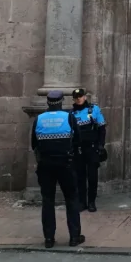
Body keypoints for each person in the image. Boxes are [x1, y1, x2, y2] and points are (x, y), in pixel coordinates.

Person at [31, 90, 85, 248]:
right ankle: (74, 237)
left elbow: (34, 144)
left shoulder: (39, 119)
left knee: (48, 200)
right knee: (71, 198)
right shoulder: (69, 117)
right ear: (61, 102)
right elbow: (78, 140)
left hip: (46, 165)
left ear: (47, 102)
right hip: (66, 164)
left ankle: (49, 238)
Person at [71, 87, 106, 212]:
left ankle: (91, 202)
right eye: (76, 97)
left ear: (85, 97)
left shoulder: (93, 109)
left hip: (92, 148)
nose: (78, 99)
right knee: (80, 177)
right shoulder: (71, 114)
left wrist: (101, 145)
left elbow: (102, 129)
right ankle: (82, 202)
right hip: (78, 149)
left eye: (80, 96)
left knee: (92, 177)